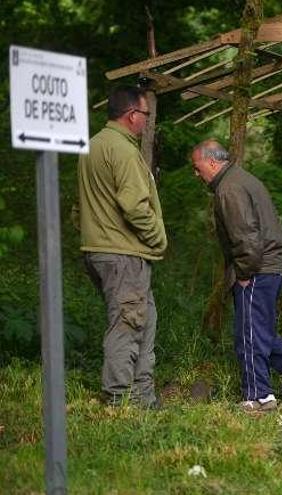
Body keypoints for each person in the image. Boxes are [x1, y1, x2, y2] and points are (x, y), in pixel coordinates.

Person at [191, 140, 282, 413]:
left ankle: (259, 397)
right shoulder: (242, 179)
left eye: (197, 168)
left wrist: (244, 272)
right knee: (258, 330)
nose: (196, 175)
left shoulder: (229, 189)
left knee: (248, 334)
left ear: (212, 162)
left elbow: (245, 236)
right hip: (271, 265)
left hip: (256, 268)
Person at [76, 86, 166, 408]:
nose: (146, 121)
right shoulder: (125, 151)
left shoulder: (93, 146)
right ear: (132, 116)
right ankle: (117, 400)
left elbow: (80, 207)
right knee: (126, 326)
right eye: (145, 115)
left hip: (100, 251)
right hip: (123, 254)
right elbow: (135, 207)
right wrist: (159, 237)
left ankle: (143, 398)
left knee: (144, 319)